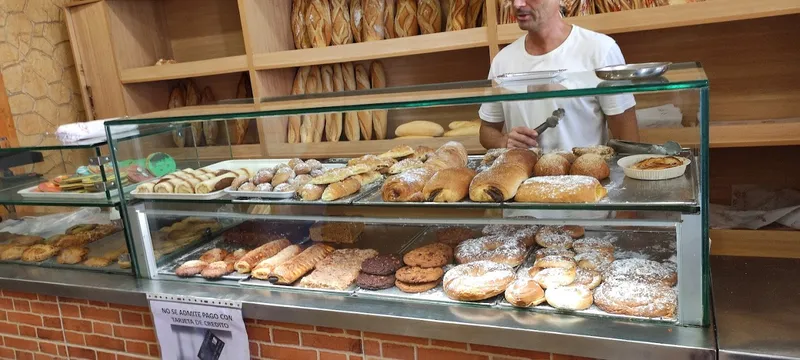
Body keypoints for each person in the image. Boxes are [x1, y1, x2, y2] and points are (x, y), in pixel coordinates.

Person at [479, 0, 640, 151]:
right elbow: (487, 130)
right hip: (525, 178)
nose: (517, 4)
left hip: (587, 179)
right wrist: (503, 141)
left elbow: (626, 136)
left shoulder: (600, 50)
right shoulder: (503, 60)